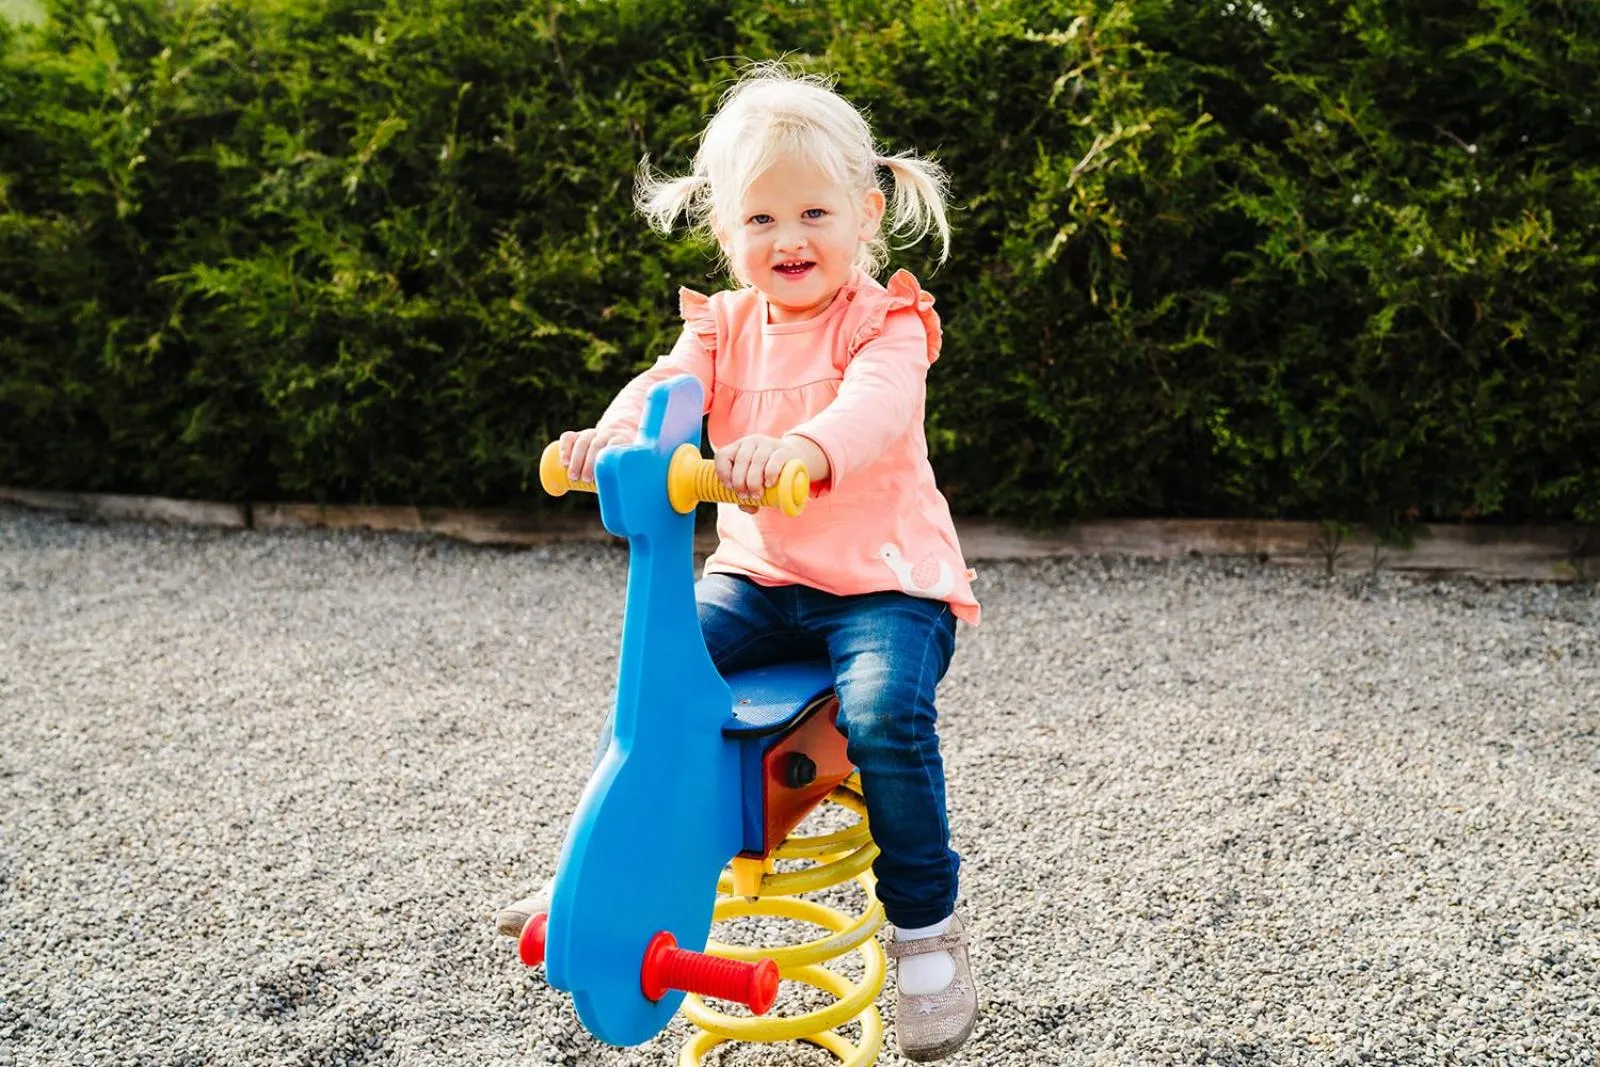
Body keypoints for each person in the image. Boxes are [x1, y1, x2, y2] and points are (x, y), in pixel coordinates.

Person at [498, 61, 982, 1061]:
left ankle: (926, 929)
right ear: (726, 230)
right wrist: (612, 433)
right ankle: (603, 868)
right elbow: (663, 385)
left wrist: (803, 450)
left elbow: (874, 409)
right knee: (655, 674)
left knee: (885, 712)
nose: (788, 239)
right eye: (760, 220)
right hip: (760, 577)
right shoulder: (721, 326)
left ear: (865, 210)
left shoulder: (882, 323)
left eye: (812, 212)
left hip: (884, 583)